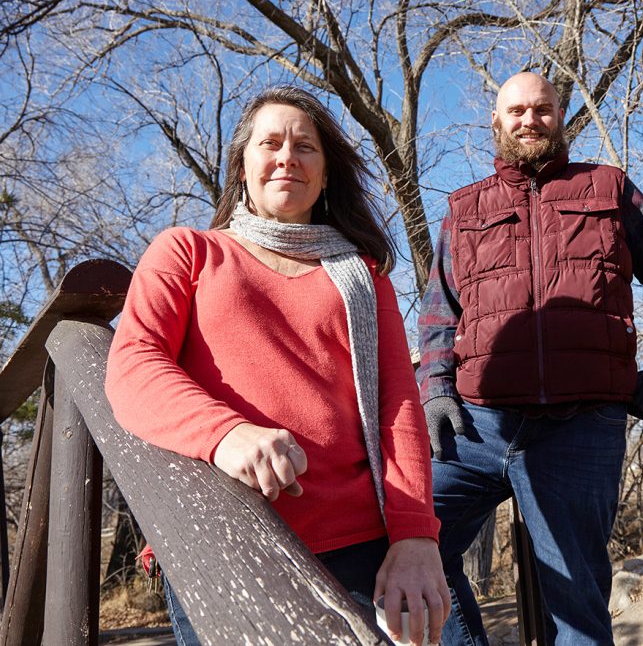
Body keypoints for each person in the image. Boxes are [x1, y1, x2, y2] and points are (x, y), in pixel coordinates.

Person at [106, 86, 449, 646]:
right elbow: (133, 365)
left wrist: (416, 537)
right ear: (243, 166)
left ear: (326, 172)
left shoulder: (365, 275)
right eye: (270, 143)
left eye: (305, 146)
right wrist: (225, 434)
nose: (287, 156)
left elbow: (399, 403)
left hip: (359, 547)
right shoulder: (189, 251)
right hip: (222, 538)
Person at [416, 73, 643, 645]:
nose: (530, 119)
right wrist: (436, 389)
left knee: (576, 611)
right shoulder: (465, 208)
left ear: (561, 116)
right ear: (496, 123)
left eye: (542, 109)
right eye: (516, 110)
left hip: (579, 428)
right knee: (412, 548)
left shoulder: (610, 190)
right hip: (477, 425)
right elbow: (438, 314)